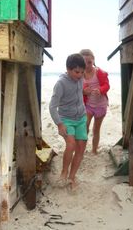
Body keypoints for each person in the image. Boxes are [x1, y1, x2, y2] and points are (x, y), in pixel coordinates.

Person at [49, 53, 87, 190]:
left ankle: (72, 176)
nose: (80, 75)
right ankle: (63, 173)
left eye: (82, 72)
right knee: (71, 145)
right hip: (66, 120)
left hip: (81, 118)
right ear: (68, 69)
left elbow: (79, 95)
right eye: (77, 72)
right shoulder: (60, 83)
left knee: (81, 147)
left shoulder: (81, 79)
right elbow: (52, 106)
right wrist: (60, 124)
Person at [80, 49, 109, 155]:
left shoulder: (99, 72)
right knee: (85, 127)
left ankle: (94, 150)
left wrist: (100, 90)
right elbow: (75, 89)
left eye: (89, 63)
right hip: (88, 106)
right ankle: (81, 149)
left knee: (96, 129)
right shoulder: (80, 74)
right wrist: (83, 91)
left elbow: (107, 85)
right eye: (84, 63)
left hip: (101, 106)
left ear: (93, 61)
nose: (87, 65)